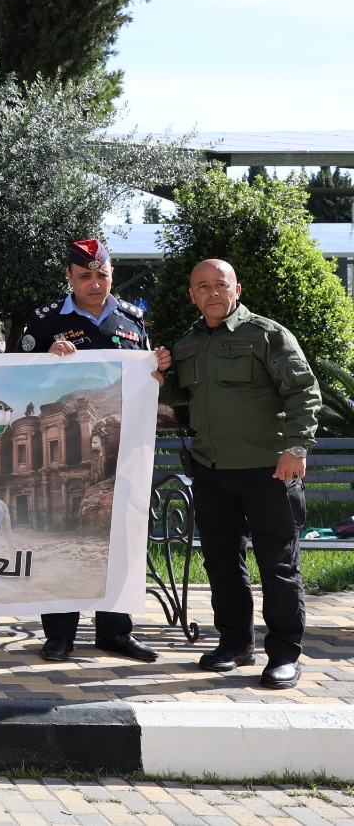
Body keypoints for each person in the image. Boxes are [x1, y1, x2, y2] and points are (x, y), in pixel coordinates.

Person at [163, 259, 320, 690]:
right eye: (203, 286)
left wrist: (296, 448)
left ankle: (284, 654)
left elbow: (304, 390)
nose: (212, 292)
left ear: (237, 290)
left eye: (221, 284)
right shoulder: (187, 345)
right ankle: (234, 644)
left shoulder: (267, 335)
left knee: (278, 564)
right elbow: (179, 402)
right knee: (221, 563)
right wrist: (158, 374)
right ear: (192, 295)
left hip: (269, 471)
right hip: (212, 471)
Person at [19, 238, 169, 665]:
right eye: (85, 276)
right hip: (66, 452)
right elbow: (20, 378)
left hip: (121, 448)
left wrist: (158, 374)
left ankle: (116, 632)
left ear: (111, 274)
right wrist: (46, 359)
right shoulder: (45, 321)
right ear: (69, 277)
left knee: (121, 536)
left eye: (101, 274)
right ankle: (60, 635)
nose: (95, 283)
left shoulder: (132, 319)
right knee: (64, 533)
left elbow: (144, 380)